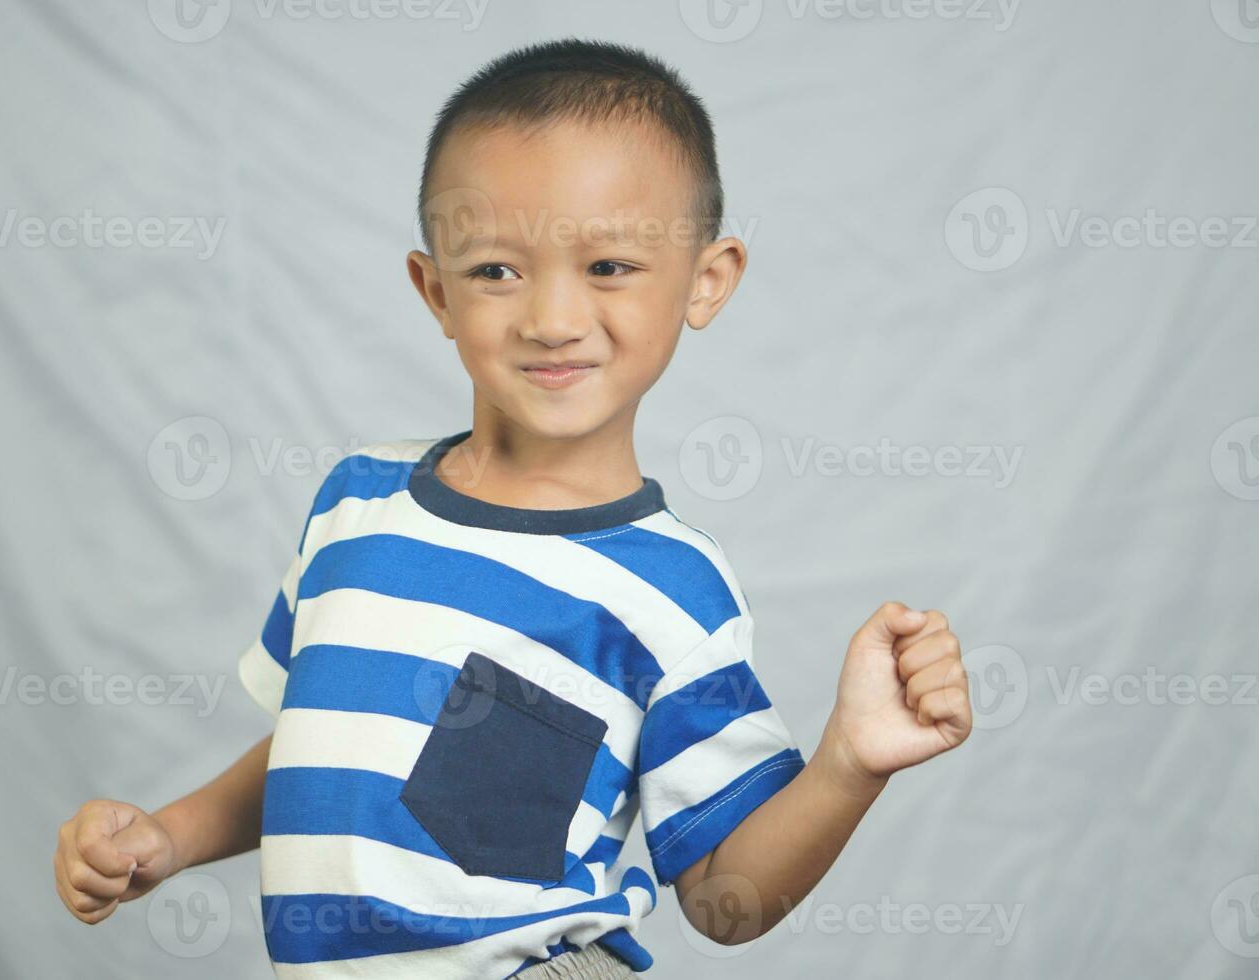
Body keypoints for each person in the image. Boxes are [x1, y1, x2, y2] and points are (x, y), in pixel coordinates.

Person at [53, 37, 973, 979]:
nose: (550, 317)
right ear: (434, 290)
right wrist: (167, 837)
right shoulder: (354, 505)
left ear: (706, 280)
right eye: (497, 270)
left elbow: (725, 900)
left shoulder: (671, 588)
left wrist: (849, 763)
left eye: (610, 265)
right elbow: (315, 748)